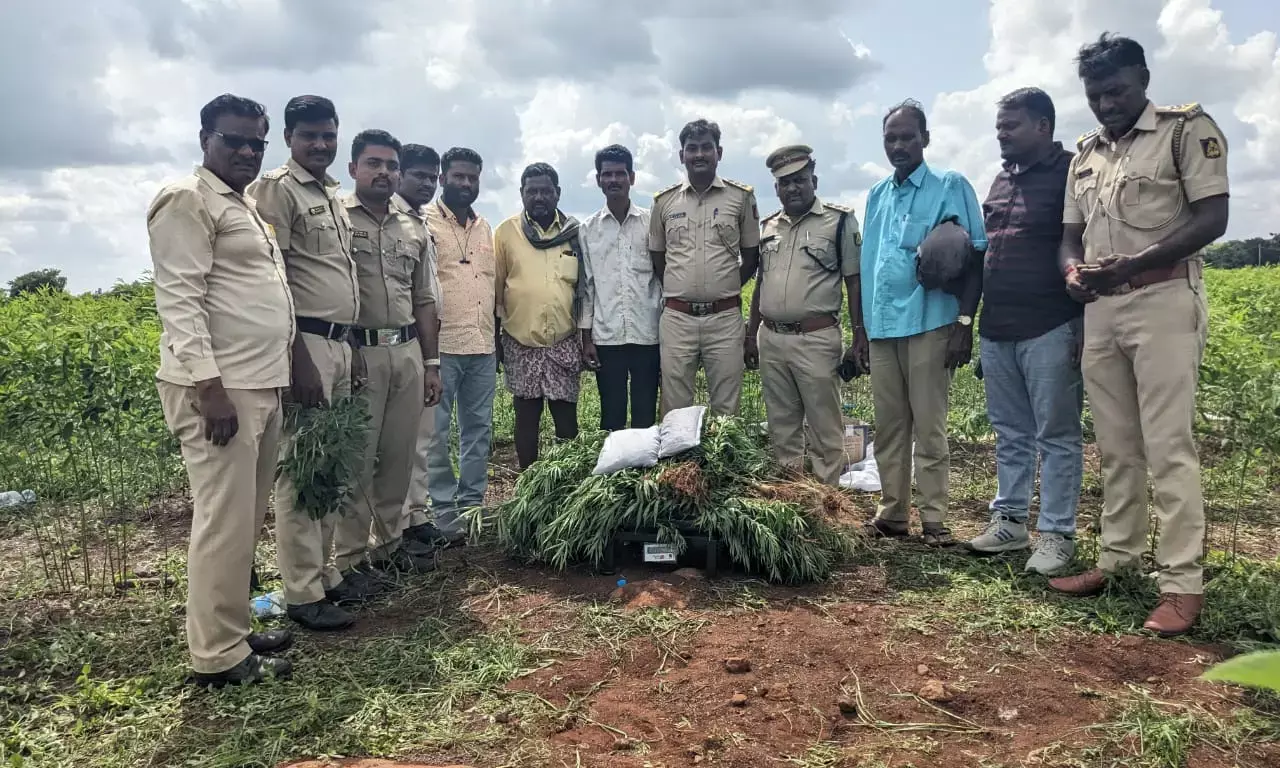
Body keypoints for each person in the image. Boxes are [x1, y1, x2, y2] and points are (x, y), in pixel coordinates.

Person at [1049, 34, 1229, 637]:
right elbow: (1069, 235)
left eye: (1117, 91)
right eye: (1096, 95)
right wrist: (1072, 272)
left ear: (1143, 78)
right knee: (1118, 446)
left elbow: (1213, 217)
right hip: (1103, 309)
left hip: (1162, 299)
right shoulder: (1086, 154)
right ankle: (1117, 561)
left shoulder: (1185, 131)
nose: (1106, 104)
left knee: (1168, 445)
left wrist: (1131, 264)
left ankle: (1182, 585)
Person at [149, 93, 294, 686]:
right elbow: (179, 297)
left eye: (256, 143)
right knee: (224, 522)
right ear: (205, 137)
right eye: (232, 139)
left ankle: (231, 630)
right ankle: (217, 657)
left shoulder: (245, 206)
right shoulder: (187, 199)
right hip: (222, 389)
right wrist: (209, 386)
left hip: (260, 383)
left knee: (244, 518)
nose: (245, 151)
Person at [248, 95, 359, 632]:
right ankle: (300, 590)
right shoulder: (276, 189)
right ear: (290, 137)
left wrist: (351, 348)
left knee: (331, 466)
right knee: (302, 468)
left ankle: (326, 573)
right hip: (306, 344)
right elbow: (275, 278)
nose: (321, 145)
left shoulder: (332, 194)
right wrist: (300, 360)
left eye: (329, 136)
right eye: (310, 135)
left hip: (339, 342)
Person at [964, 88, 1084, 576]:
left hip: (1050, 325)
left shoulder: (1071, 174)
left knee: (1057, 434)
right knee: (1011, 433)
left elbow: (1082, 245)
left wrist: (1082, 323)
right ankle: (1010, 522)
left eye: (1010, 125)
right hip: (999, 327)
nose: (1001, 134)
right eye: (999, 126)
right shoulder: (1001, 179)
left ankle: (1057, 533)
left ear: (1043, 126)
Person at [861, 100, 987, 547]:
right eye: (890, 138)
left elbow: (974, 256)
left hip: (930, 323)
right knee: (890, 426)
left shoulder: (948, 186)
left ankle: (934, 519)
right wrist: (862, 330)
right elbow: (870, 262)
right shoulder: (877, 195)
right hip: (884, 327)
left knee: (930, 424)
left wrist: (964, 322)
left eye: (907, 136)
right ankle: (892, 513)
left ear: (925, 139)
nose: (898, 145)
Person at [335, 130, 443, 587]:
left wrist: (432, 363)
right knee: (359, 460)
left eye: (390, 165)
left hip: (407, 352)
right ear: (353, 168)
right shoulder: (339, 218)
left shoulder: (413, 228)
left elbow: (423, 301)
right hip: (359, 352)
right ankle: (351, 559)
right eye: (373, 163)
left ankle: (391, 545)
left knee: (399, 456)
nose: (383, 172)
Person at [745, 145, 863, 485]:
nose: (793, 188)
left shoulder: (839, 221)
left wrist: (859, 337)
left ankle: (827, 499)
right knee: (782, 424)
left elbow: (854, 282)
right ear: (776, 188)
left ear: (814, 179)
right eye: (785, 183)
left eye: (799, 180)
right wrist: (751, 334)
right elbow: (761, 284)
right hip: (772, 338)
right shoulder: (768, 227)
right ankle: (792, 495)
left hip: (816, 338)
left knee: (825, 425)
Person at [650, 118, 761, 416]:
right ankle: (680, 464)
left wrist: (721, 289)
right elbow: (658, 258)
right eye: (692, 148)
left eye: (706, 148)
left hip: (724, 319)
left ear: (719, 152)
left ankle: (723, 462)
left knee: (726, 408)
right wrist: (682, 288)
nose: (699, 154)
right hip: (678, 319)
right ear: (681, 155)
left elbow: (751, 257)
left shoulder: (741, 198)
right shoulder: (664, 202)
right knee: (675, 406)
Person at [422, 147, 497, 539]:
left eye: (472, 177)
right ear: (442, 179)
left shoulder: (485, 227)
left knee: (478, 432)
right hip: (442, 347)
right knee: (436, 435)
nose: (465, 184)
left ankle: (472, 509)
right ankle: (444, 513)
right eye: (458, 177)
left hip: (483, 347)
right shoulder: (425, 221)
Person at [494, 162, 584, 468]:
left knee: (566, 421)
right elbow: (496, 289)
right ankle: (529, 483)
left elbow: (585, 288)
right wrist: (495, 341)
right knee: (526, 418)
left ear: (557, 193)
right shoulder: (506, 233)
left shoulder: (574, 233)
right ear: (522, 194)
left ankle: (565, 485)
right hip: (522, 341)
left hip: (564, 342)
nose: (539, 197)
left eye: (546, 191)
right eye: (532, 191)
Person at [393, 144, 458, 548]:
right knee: (397, 444)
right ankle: (394, 527)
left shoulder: (419, 222)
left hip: (423, 346)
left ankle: (415, 518)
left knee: (420, 438)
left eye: (431, 176)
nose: (426, 183)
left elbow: (426, 295)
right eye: (418, 174)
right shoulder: (391, 219)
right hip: (394, 344)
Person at [579, 144, 661, 431]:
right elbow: (587, 288)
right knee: (611, 414)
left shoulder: (652, 223)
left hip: (647, 335)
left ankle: (644, 474)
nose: (613, 179)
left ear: (632, 178)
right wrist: (587, 339)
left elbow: (662, 278)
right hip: (607, 337)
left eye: (620, 173)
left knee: (645, 413)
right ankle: (615, 474)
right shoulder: (588, 230)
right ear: (599, 180)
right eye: (607, 174)